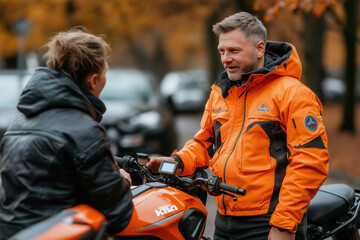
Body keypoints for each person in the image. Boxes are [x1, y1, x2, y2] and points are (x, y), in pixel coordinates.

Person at [147, 12, 329, 240]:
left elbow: (311, 160)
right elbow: (205, 142)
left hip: (270, 220)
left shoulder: (293, 94)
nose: (225, 59)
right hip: (225, 220)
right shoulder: (221, 93)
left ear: (260, 48)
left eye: (234, 51)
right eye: (222, 51)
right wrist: (176, 162)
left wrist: (284, 224)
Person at [0, 28, 134, 239]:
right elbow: (118, 216)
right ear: (93, 80)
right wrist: (123, 181)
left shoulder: (17, 124)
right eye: (105, 75)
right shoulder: (85, 131)